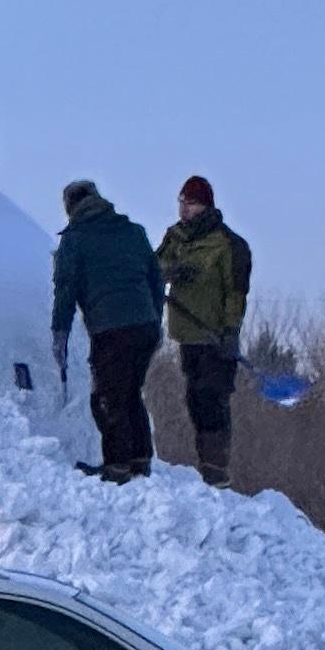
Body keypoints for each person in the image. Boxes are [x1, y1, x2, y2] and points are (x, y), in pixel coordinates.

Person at [52, 179, 164, 482]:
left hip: (112, 329)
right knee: (130, 393)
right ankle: (140, 459)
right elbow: (156, 279)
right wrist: (156, 320)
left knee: (107, 398)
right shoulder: (133, 231)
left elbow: (66, 290)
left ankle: (117, 467)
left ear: (70, 207)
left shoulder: (75, 240)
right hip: (145, 326)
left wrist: (60, 332)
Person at [158, 174, 254, 485]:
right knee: (195, 400)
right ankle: (206, 468)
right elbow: (154, 268)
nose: (185, 210)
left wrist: (230, 331)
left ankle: (217, 472)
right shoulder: (176, 238)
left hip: (215, 337)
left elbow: (235, 292)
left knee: (212, 399)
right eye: (182, 203)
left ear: (206, 206)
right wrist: (171, 272)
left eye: (192, 204)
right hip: (188, 335)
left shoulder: (228, 245)